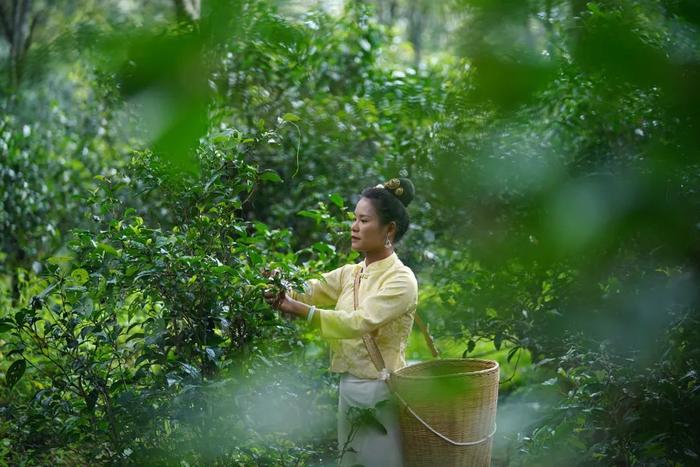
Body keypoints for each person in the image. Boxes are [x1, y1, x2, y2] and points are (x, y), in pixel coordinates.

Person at [263, 177, 418, 467]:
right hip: (348, 387)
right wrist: (277, 282)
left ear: (390, 230)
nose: (354, 227)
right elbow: (310, 289)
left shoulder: (401, 279)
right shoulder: (352, 273)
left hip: (380, 392)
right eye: (354, 219)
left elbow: (359, 322)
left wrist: (300, 310)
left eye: (363, 220)